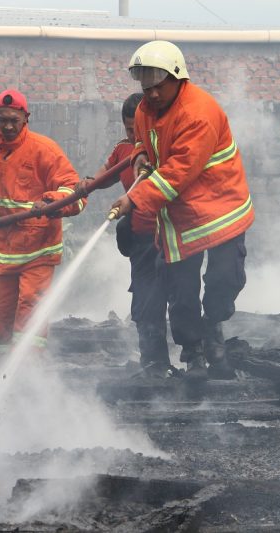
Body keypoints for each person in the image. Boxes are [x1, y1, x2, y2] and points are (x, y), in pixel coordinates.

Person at [111, 40, 254, 380]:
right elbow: (144, 143)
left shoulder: (199, 113)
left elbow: (178, 171)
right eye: (146, 89)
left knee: (223, 280)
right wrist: (139, 156)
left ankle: (213, 326)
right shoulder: (146, 109)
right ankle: (194, 350)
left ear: (178, 78)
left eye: (158, 87)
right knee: (181, 291)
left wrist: (133, 199)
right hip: (179, 216)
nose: (152, 95)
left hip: (221, 209)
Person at [0, 89, 86, 354]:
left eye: (14, 120)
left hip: (38, 250)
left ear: (26, 118)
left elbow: (74, 192)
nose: (8, 126)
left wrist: (51, 203)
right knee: (0, 317)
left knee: (31, 309)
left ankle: (30, 372)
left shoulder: (45, 150)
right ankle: (1, 369)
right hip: (1, 251)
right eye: (3, 120)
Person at [82, 93, 173, 378]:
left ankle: (190, 360)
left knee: (177, 299)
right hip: (141, 239)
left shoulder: (165, 150)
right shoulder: (125, 151)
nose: (134, 135)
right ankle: (153, 364)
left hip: (170, 235)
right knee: (145, 305)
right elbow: (109, 171)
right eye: (129, 130)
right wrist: (88, 184)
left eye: (139, 129)